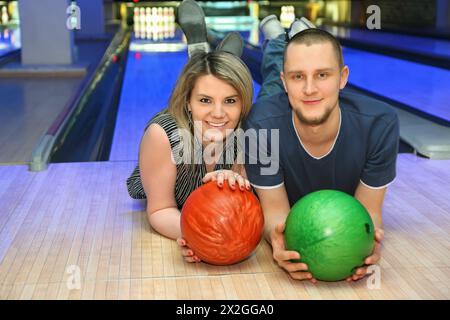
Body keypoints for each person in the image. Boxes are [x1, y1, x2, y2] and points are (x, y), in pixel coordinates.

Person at [243, 15, 400, 282]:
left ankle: (291, 39)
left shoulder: (379, 124)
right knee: (269, 86)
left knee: (288, 93)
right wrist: (277, 241)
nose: (309, 88)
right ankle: (275, 40)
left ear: (343, 77)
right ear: (287, 82)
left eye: (323, 74)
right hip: (276, 109)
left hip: (285, 108)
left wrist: (367, 240)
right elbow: (275, 212)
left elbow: (369, 211)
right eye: (297, 77)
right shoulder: (261, 125)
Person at [126, 0, 253, 263]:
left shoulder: (249, 131)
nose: (219, 113)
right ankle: (203, 55)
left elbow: (245, 210)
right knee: (200, 81)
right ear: (188, 103)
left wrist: (240, 186)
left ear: (243, 104)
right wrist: (199, 235)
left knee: (271, 93)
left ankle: (215, 60)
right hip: (170, 156)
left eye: (231, 100)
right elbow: (160, 210)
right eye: (204, 100)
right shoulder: (162, 135)